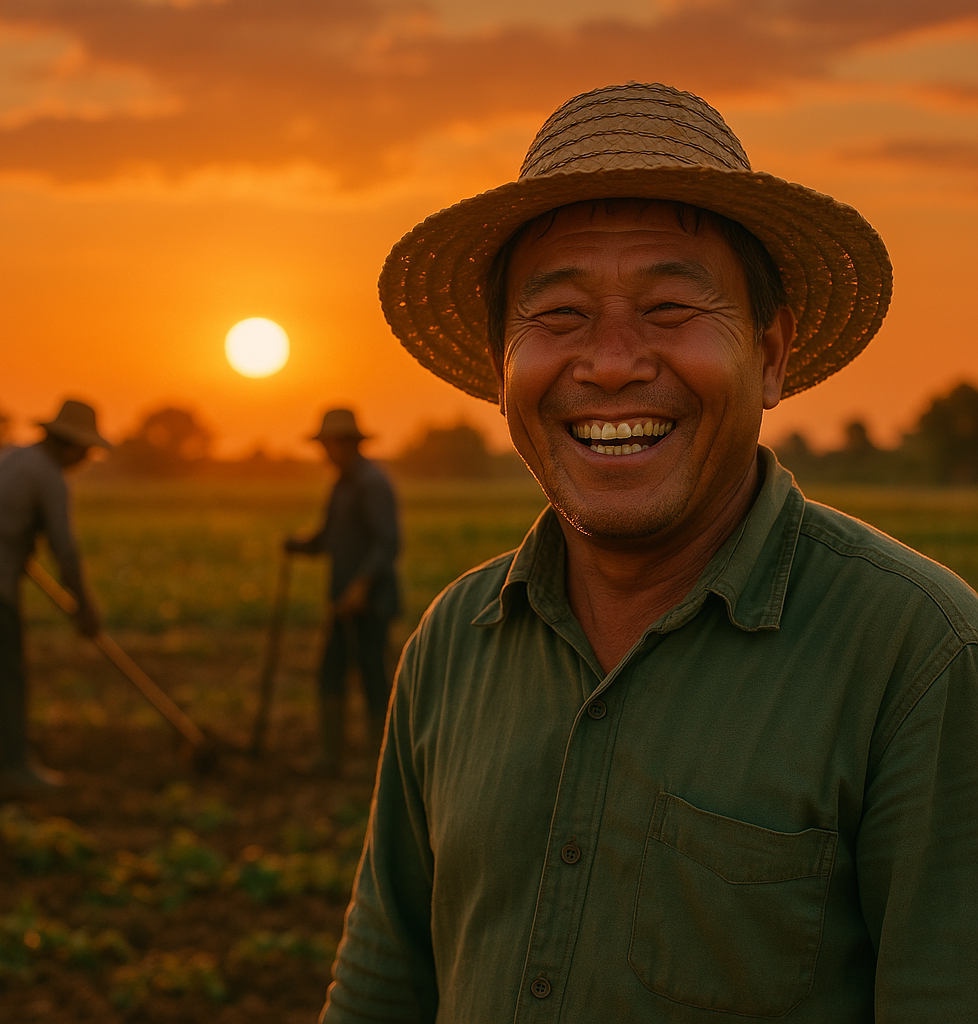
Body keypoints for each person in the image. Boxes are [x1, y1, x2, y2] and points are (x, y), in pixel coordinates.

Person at [319, 83, 977, 1021]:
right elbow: (384, 984)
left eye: (670, 307)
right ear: (504, 363)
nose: (613, 362)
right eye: (556, 316)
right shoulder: (455, 640)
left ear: (772, 352)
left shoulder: (918, 655)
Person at [0, 399, 109, 792]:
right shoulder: (48, 476)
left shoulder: (9, 457)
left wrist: (14, 539)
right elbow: (64, 547)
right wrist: (85, 607)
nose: (87, 458)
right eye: (86, 450)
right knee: (8, 671)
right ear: (71, 444)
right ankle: (14, 764)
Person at [284, 408, 400, 777]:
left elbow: (387, 543)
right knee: (330, 671)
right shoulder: (342, 484)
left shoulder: (372, 483)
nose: (324, 452)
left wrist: (361, 586)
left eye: (328, 444)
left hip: (370, 602)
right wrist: (299, 545)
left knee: (372, 676)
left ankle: (377, 760)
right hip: (342, 602)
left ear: (346, 443)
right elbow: (329, 536)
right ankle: (330, 754)